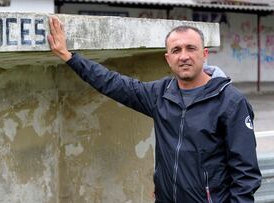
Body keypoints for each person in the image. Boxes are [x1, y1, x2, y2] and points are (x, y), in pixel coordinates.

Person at [47, 16, 261, 203]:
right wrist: (69, 57)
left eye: (191, 48)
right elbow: (112, 83)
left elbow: (245, 174)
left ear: (205, 54)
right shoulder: (161, 94)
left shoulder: (230, 102)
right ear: (168, 59)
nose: (184, 56)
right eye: (176, 50)